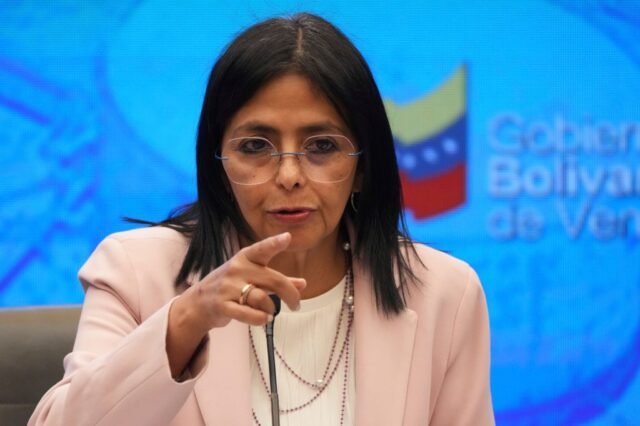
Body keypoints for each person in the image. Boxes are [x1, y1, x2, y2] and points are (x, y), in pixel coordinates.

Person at [29, 12, 494, 426]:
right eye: (255, 146)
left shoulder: (445, 294)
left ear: (362, 169)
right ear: (218, 164)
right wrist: (186, 320)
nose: (289, 176)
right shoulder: (134, 273)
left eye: (322, 146)